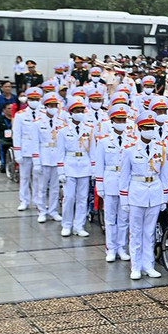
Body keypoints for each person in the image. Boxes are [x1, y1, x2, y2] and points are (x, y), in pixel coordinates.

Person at [120, 111, 168, 280]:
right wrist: (124, 199)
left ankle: (148, 265)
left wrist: (166, 196)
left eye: (153, 128)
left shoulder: (161, 149)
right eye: (147, 128)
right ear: (140, 128)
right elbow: (124, 176)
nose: (150, 131)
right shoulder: (129, 150)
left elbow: (166, 175)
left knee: (150, 232)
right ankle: (135, 267)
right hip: (136, 192)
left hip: (155, 192)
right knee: (136, 232)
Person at [94, 105, 137, 262]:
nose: (121, 122)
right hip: (110, 180)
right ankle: (111, 248)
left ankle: (122, 247)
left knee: (124, 218)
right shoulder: (104, 141)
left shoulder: (132, 140)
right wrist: (100, 185)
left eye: (123, 120)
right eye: (118, 120)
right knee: (110, 218)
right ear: (112, 121)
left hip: (125, 183)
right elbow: (99, 164)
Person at [58, 97, 95, 238]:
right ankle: (66, 224)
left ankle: (79, 225)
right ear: (71, 113)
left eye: (82, 111)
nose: (80, 113)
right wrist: (60, 170)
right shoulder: (63, 131)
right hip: (69, 165)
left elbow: (93, 150)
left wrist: (93, 169)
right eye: (77, 111)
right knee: (69, 197)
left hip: (84, 165)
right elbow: (60, 152)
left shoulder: (89, 129)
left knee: (82, 197)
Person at [32, 93, 65, 224]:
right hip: (44, 156)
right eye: (50, 106)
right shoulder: (38, 123)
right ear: (46, 107)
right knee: (42, 186)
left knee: (55, 187)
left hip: (57, 157)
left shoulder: (61, 123)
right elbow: (35, 143)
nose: (53, 108)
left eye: (55, 106)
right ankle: (42, 211)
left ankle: (53, 210)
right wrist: (36, 162)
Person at [13, 87, 43, 211]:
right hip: (25, 150)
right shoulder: (20, 115)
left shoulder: (43, 114)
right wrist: (17, 152)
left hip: (39, 151)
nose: (34, 101)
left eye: (36, 99)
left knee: (37, 178)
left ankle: (37, 201)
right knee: (24, 177)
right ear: (27, 100)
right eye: (32, 99)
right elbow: (17, 134)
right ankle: (24, 200)